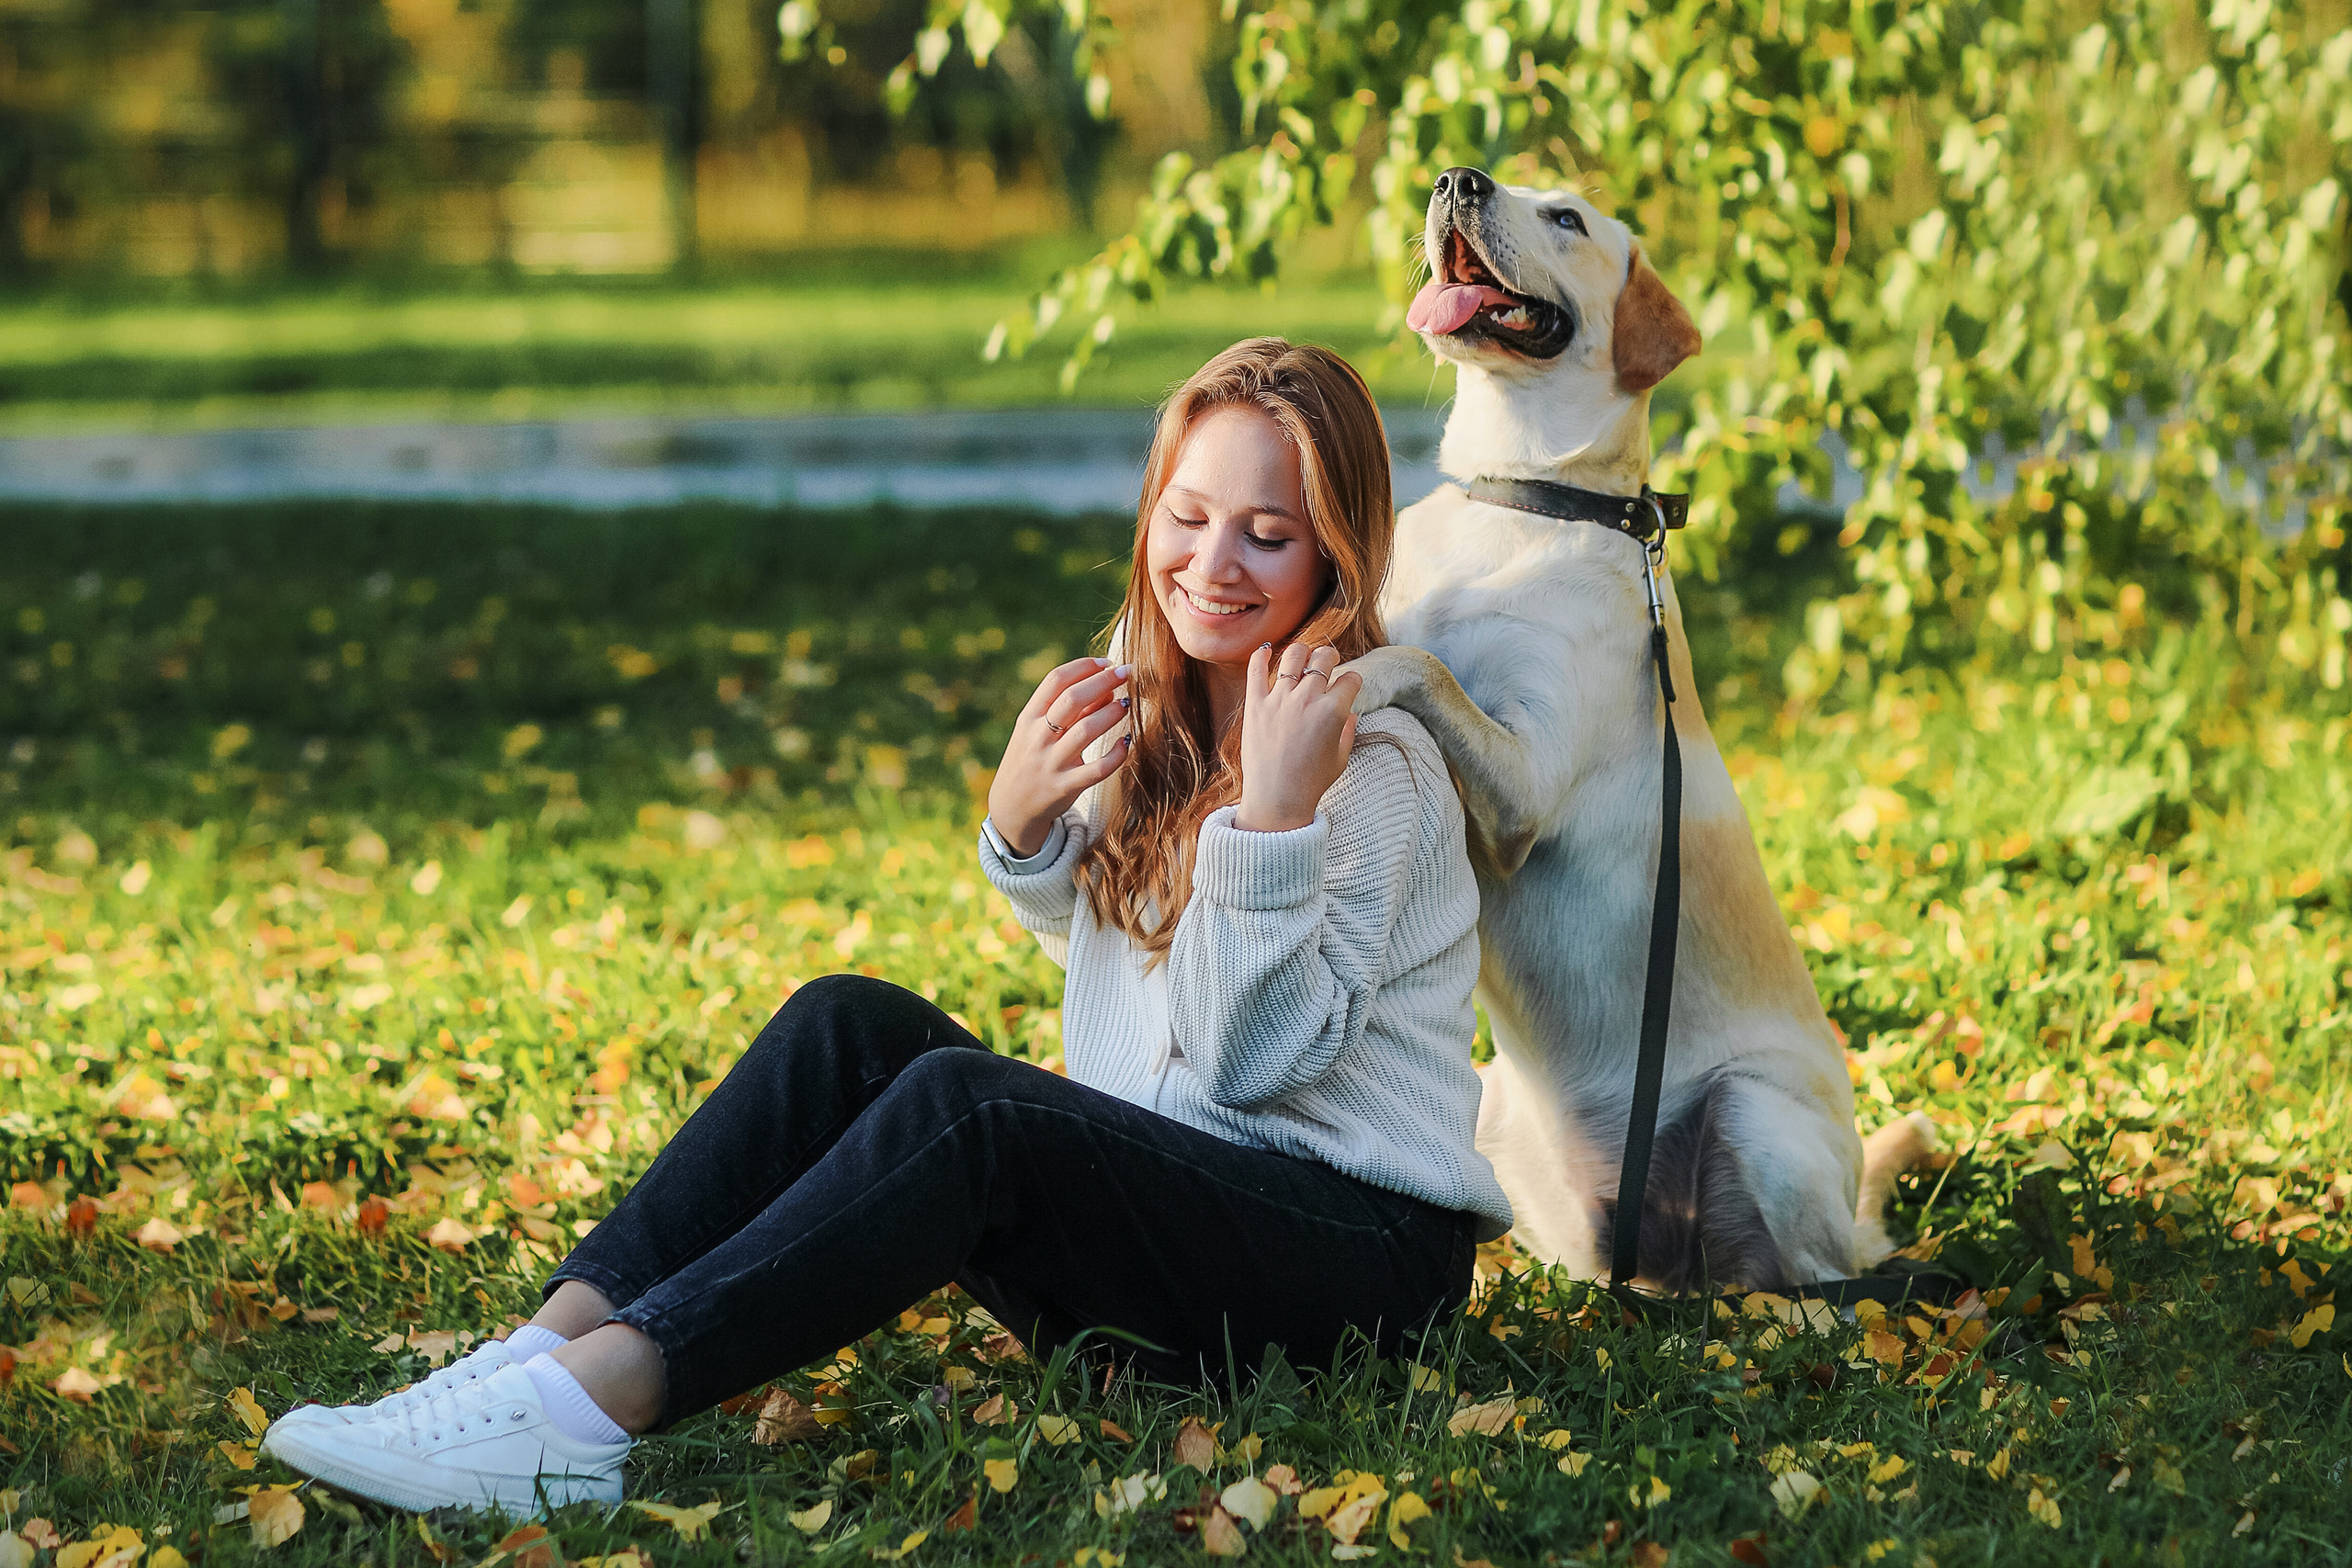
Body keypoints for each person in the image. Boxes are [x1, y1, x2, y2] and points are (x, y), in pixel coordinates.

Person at [260, 337, 1511, 1515]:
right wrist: (1028, 839)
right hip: (1191, 1226)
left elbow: (1246, 1062)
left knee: (974, 1106)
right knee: (848, 1023)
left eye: (1268, 534)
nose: (1213, 562)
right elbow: (1154, 1013)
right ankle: (531, 1359)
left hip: (1358, 1264)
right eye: (1186, 517)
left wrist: (1276, 824)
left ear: (1334, 560)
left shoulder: (1370, 765)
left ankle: (585, 1418)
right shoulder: (1161, 708)